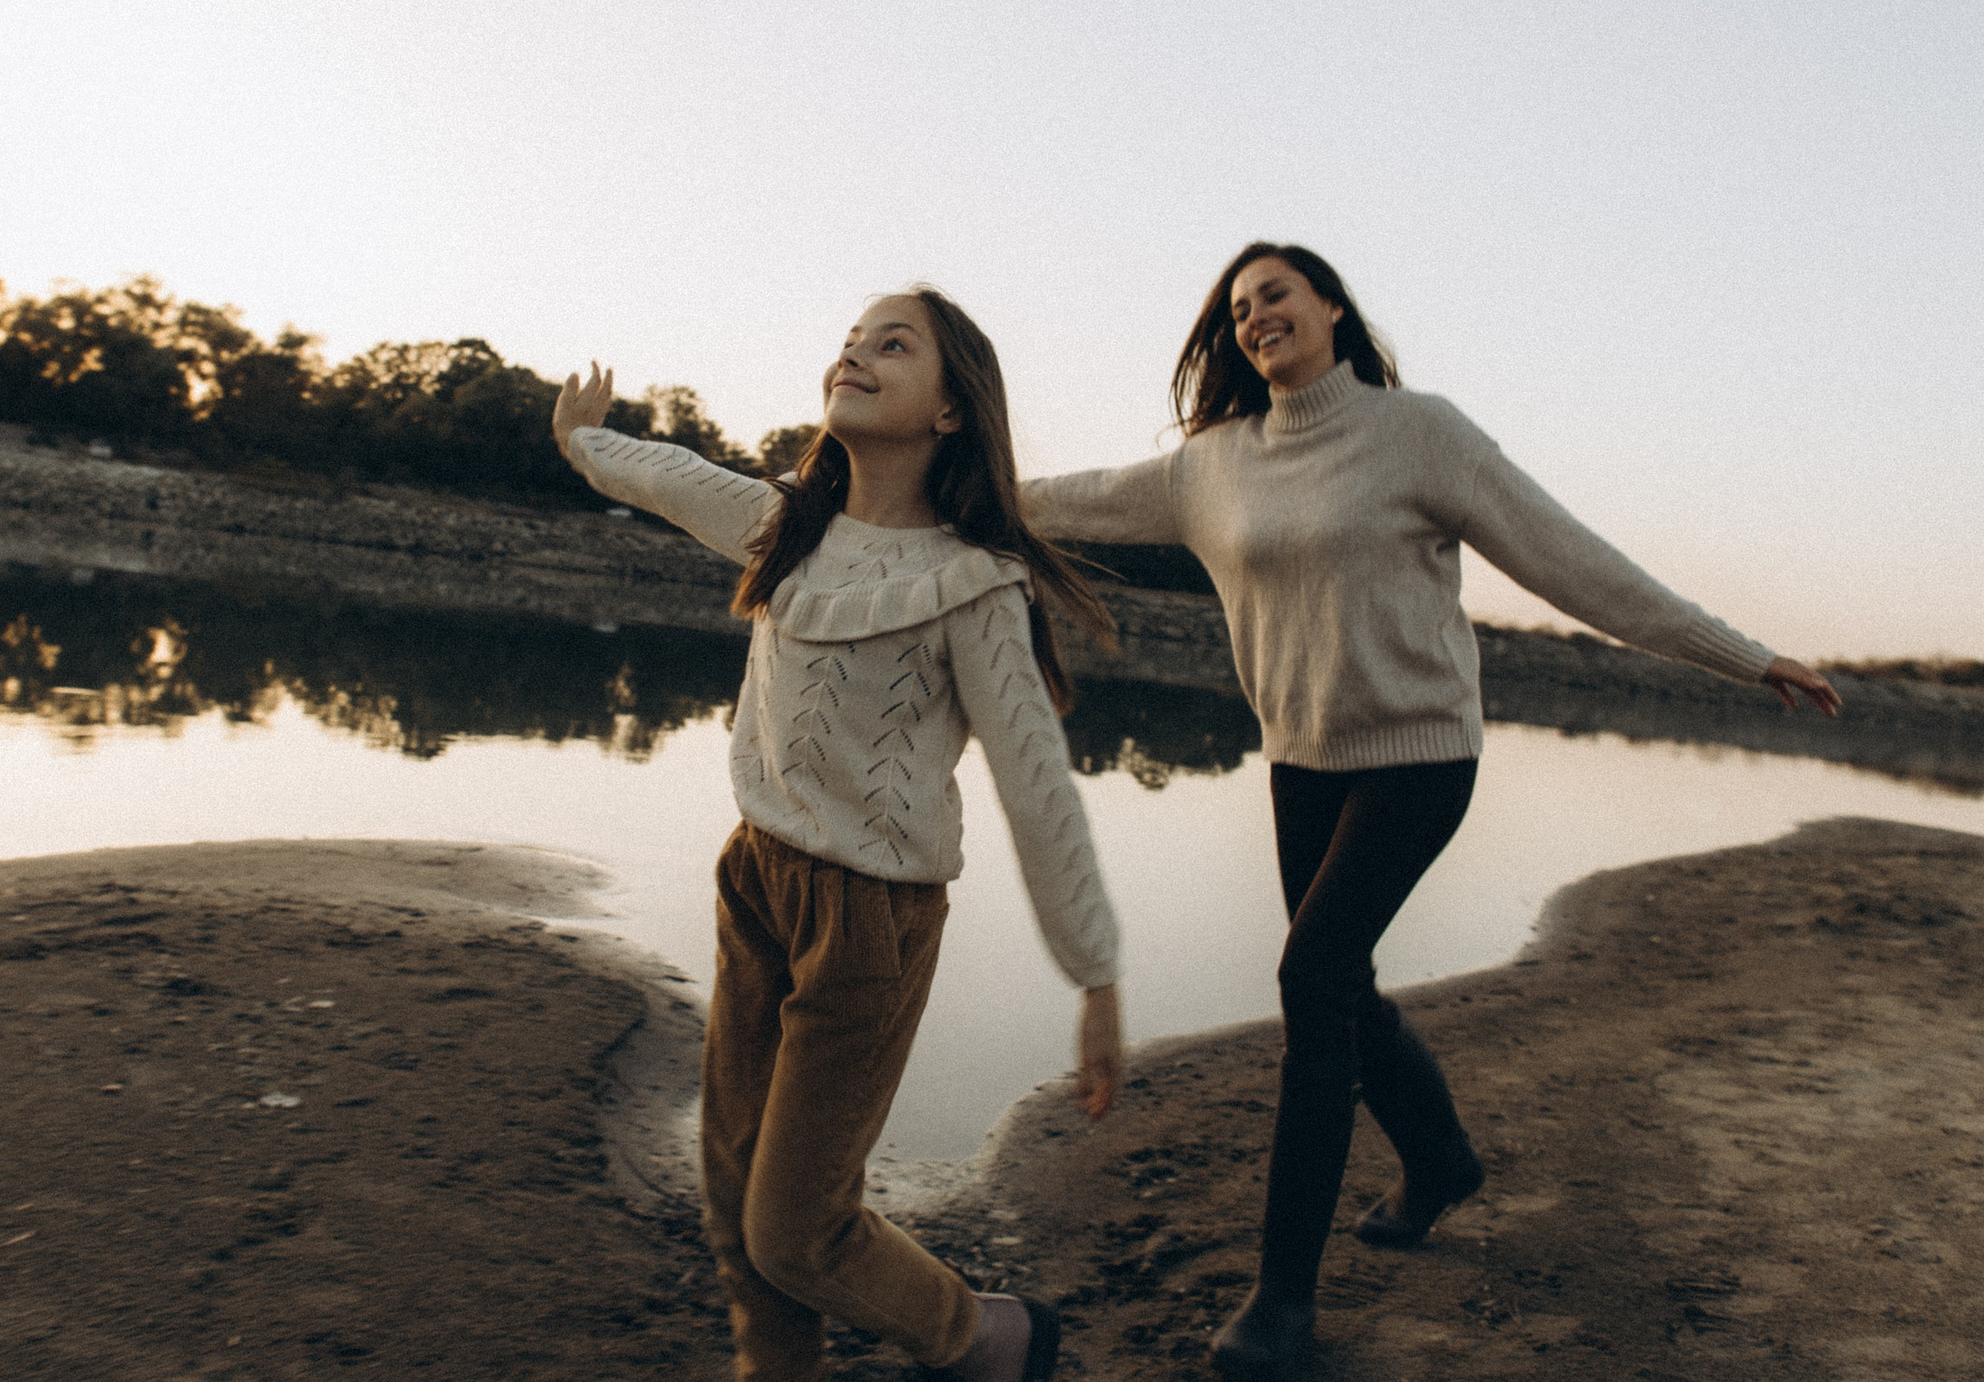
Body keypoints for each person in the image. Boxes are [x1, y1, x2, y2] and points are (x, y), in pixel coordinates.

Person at [1020, 243, 1841, 1380]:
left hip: (1419, 757)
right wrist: (925, 487)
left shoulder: (1420, 434)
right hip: (1301, 763)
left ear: (1331, 308)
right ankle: (1442, 1162)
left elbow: (1570, 560)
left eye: (1276, 294)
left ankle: (1282, 1302)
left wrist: (1741, 656)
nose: (1256, 317)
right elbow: (1056, 502)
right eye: (1239, 307)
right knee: (1342, 986)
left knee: (1312, 980)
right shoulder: (1210, 467)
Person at [551, 286, 1126, 1382]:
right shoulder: (790, 530)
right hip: (756, 882)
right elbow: (675, 479)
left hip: (872, 922)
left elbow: (1034, 785)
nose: (854, 355)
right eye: (851, 341)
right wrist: (585, 443)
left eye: (891, 346)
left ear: (949, 410)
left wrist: (1094, 973)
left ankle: (986, 1337)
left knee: (796, 1227)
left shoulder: (973, 585)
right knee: (732, 1196)